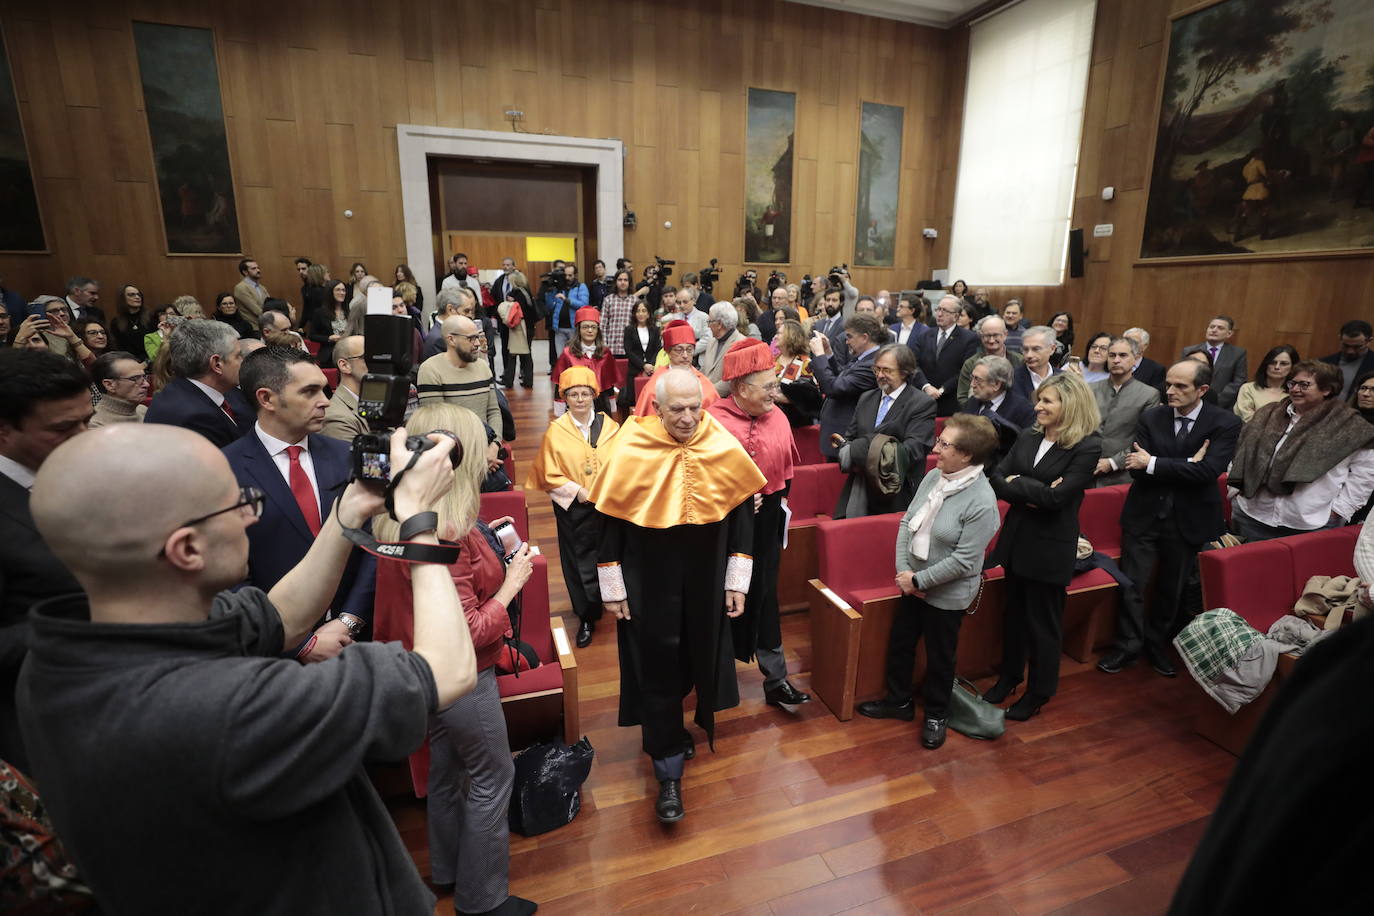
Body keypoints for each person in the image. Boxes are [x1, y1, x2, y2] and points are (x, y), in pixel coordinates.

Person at [19, 418, 478, 915]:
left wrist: (350, 511)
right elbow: (446, 671)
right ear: (187, 549)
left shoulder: (64, 654)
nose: (251, 518)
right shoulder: (219, 710)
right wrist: (418, 519)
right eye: (238, 504)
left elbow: (283, 616)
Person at [592, 368, 766, 822]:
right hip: (648, 582)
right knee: (657, 671)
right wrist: (612, 588)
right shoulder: (631, 446)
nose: (689, 418)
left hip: (707, 582)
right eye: (678, 409)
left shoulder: (720, 442)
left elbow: (743, 519)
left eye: (695, 407)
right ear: (657, 408)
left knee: (695, 660)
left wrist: (736, 582)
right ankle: (666, 770)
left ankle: (679, 727)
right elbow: (608, 522)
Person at [857, 414, 1002, 749]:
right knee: (901, 644)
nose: (936, 447)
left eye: (945, 444)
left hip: (946, 593)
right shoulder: (935, 476)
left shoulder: (982, 501)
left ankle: (937, 714)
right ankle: (899, 702)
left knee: (940, 658)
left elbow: (965, 561)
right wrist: (904, 571)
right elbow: (908, 521)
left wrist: (918, 579)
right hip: (911, 583)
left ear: (966, 455)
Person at [225, 346, 375, 657]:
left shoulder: (345, 455)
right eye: (310, 392)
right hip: (273, 654)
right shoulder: (224, 469)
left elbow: (372, 544)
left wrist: (348, 622)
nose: (325, 401)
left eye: (325, 389)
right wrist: (300, 644)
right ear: (267, 399)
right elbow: (228, 576)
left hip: (358, 640)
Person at [1097, 360, 1242, 679]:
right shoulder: (1152, 416)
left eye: (1180, 386)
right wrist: (1186, 462)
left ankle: (1155, 643)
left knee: (1171, 589)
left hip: (1188, 519)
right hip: (1144, 514)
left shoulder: (1225, 422)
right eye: (1169, 384)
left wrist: (1157, 464)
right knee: (1132, 585)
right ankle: (1128, 645)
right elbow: (1137, 467)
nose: (1170, 391)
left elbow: (1208, 472)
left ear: (1202, 389)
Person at [984, 372, 1102, 721]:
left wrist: (1022, 484)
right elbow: (997, 478)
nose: (1038, 407)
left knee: (1042, 624)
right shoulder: (1029, 435)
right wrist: (1033, 488)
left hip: (1050, 547)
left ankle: (1039, 692)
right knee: (1014, 618)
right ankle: (1009, 677)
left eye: (1047, 401)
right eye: (1039, 400)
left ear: (1070, 404)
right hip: (1018, 539)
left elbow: (1056, 499)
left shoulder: (1087, 445)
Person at [707, 339, 810, 712]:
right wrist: (731, 500)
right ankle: (714, 679)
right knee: (720, 597)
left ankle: (776, 679)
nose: (775, 393)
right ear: (740, 389)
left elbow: (786, 474)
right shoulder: (712, 422)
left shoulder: (779, 418)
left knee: (766, 597)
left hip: (765, 522)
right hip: (721, 524)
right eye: (767, 387)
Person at [0, 351, 91, 772]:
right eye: (63, 428)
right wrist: (102, 616)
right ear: (4, 431)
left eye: (86, 421)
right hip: (42, 731)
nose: (84, 437)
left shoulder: (85, 469)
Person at [527, 366, 620, 648]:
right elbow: (546, 473)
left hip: (608, 503)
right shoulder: (556, 432)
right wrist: (576, 490)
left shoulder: (611, 428)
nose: (580, 399)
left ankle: (614, 599)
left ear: (594, 395)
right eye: (573, 394)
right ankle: (587, 614)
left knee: (612, 551)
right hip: (575, 507)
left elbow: (624, 463)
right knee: (579, 560)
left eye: (585, 393)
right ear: (564, 398)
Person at [1229, 360, 1374, 539]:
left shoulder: (1350, 426)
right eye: (1292, 383)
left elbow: (1365, 474)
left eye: (1304, 385)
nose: (1295, 389)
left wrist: (1339, 510)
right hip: (1252, 513)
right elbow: (1243, 450)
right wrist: (1236, 491)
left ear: (1327, 389)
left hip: (1310, 522)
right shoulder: (1268, 413)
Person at [831, 344, 937, 518]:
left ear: (905, 372)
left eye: (887, 370)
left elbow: (912, 451)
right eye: (876, 369)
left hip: (898, 493)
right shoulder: (866, 398)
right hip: (861, 489)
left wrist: (861, 448)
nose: (880, 375)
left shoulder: (922, 403)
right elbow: (848, 439)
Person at [145, 320, 254, 447]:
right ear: (217, 364)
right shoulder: (197, 418)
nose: (243, 361)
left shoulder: (179, 390)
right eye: (238, 356)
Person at [1090, 336, 1161, 486]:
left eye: (1123, 355)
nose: (1116, 360)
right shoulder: (1090, 389)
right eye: (1112, 355)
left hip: (1123, 473)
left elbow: (1144, 439)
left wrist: (1113, 462)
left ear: (1135, 359)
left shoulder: (1149, 394)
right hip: (1085, 467)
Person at [810, 313, 883, 459]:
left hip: (846, 437)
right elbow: (841, 377)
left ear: (864, 337)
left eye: (849, 336)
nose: (846, 341)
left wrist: (819, 355)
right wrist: (828, 353)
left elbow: (834, 388)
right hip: (838, 435)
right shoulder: (862, 358)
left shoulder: (873, 364)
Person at [416, 315, 502, 433]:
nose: (477, 343)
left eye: (478, 337)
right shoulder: (430, 370)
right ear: (451, 339)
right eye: (471, 338)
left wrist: (495, 444)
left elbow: (494, 411)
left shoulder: (483, 367)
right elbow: (436, 421)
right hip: (452, 448)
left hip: (486, 445)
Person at [633, 320, 717, 416]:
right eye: (679, 350)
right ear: (668, 352)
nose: (685, 355)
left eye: (689, 350)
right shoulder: (655, 385)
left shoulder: (703, 383)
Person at [915, 296, 979, 417]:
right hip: (923, 399)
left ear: (956, 316)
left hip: (951, 402)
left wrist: (942, 390)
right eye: (938, 309)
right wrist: (926, 386)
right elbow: (914, 364)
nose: (939, 314)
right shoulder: (925, 335)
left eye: (945, 311)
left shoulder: (969, 338)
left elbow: (965, 370)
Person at [552, 307, 618, 412]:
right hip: (575, 405)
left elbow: (609, 383)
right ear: (579, 329)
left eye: (593, 327)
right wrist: (559, 407)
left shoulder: (605, 353)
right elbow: (560, 383)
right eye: (585, 327)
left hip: (601, 404)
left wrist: (612, 403)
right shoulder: (568, 353)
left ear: (598, 330)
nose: (590, 330)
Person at [1182, 316, 1247, 409]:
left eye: (1220, 328)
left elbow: (1239, 381)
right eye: (1212, 327)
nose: (1214, 330)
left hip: (1221, 405)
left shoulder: (1238, 353)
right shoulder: (1189, 351)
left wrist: (1216, 400)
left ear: (1229, 333)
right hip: (1191, 401)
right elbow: (1182, 375)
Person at [956, 316, 1023, 403]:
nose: (991, 340)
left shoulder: (1019, 361)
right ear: (981, 336)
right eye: (987, 336)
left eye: (995, 335)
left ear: (1005, 335)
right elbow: (962, 398)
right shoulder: (971, 363)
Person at [961, 355, 1035, 429]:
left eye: (978, 380)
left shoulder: (1023, 410)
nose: (972, 384)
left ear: (996, 385)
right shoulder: (972, 402)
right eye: (972, 378)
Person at [321, 335, 369, 442]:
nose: (376, 363)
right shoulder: (336, 417)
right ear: (344, 365)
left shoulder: (377, 402)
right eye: (367, 357)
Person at [617, 300, 660, 415]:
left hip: (652, 369)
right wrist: (643, 365)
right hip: (635, 369)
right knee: (633, 399)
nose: (641, 314)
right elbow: (629, 351)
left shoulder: (655, 329)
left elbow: (657, 349)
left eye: (644, 311)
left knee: (652, 398)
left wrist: (650, 365)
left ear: (649, 313)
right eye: (638, 311)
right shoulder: (629, 330)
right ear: (634, 314)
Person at [1235, 344, 1298, 422]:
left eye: (1283, 364)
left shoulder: (1295, 392)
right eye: (1273, 363)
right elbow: (1247, 418)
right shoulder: (1249, 389)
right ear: (1266, 365)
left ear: (1293, 367)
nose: (1277, 367)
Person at [89, 351, 149, 428]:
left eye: (144, 377)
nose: (146, 384)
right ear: (109, 385)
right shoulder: (96, 426)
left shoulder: (143, 411)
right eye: (135, 379)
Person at [497, 270, 535, 389]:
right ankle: (528, 380)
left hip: (517, 329)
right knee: (526, 355)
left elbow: (512, 313)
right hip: (527, 328)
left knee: (512, 355)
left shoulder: (515, 294)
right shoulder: (527, 292)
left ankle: (508, 381)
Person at [1319, 319, 1374, 399]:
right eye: (1346, 345)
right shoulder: (1323, 363)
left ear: (1369, 341)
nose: (1350, 351)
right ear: (1340, 338)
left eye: (1357, 347)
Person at [701, 302, 746, 396]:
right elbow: (704, 371)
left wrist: (705, 393)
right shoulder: (711, 342)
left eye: (710, 322)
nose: (708, 326)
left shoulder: (741, 344)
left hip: (724, 401)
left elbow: (731, 382)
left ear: (719, 324)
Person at [306, 276, 350, 367]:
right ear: (330, 292)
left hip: (349, 352)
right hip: (329, 354)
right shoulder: (320, 313)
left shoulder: (349, 312)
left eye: (343, 290)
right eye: (338, 290)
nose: (342, 293)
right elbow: (312, 335)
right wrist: (329, 338)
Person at [1010, 326, 1059, 401]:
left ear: (1052, 349)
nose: (1029, 355)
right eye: (1025, 349)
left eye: (1036, 349)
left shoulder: (1064, 378)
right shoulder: (1011, 378)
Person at [232, 257, 268, 325]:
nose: (258, 270)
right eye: (253, 268)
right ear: (245, 272)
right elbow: (256, 310)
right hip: (253, 326)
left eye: (258, 268)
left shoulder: (262, 287)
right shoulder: (241, 288)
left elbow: (270, 304)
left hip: (265, 324)